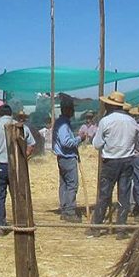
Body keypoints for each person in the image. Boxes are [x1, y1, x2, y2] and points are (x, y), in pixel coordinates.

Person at [88, 91, 138, 237]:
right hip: (128, 160)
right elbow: (137, 142)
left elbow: (97, 144)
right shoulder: (132, 121)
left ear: (109, 105)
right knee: (124, 195)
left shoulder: (106, 121)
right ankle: (121, 229)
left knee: (104, 194)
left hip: (110, 161)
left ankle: (96, 227)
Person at [0, 104, 35, 236]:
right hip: (16, 166)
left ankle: (0, 226)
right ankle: (21, 223)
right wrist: (24, 157)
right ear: (11, 114)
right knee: (18, 195)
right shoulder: (20, 126)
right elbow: (31, 145)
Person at [52, 94, 82, 223]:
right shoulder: (63, 124)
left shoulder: (61, 123)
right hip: (67, 157)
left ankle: (65, 208)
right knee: (72, 184)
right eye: (72, 109)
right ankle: (69, 211)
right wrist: (80, 138)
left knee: (64, 184)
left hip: (62, 158)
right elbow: (66, 142)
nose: (74, 112)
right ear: (68, 110)